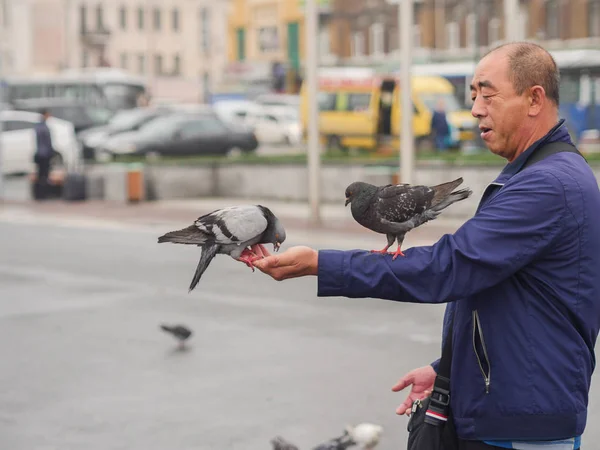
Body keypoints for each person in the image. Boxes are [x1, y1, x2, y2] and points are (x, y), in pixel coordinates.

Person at [246, 42, 600, 450]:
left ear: (534, 98)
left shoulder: (548, 184)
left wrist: (322, 264)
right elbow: (513, 304)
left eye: (488, 94)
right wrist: (450, 371)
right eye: (472, 96)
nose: (476, 109)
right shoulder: (536, 175)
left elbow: (447, 268)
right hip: (510, 411)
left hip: (522, 427)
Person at [33, 109, 55, 200]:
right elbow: (47, 142)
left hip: (39, 153)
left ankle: (39, 195)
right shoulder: (43, 127)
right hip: (45, 154)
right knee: (44, 175)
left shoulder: (38, 126)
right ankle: (42, 195)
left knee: (40, 174)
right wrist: (51, 151)